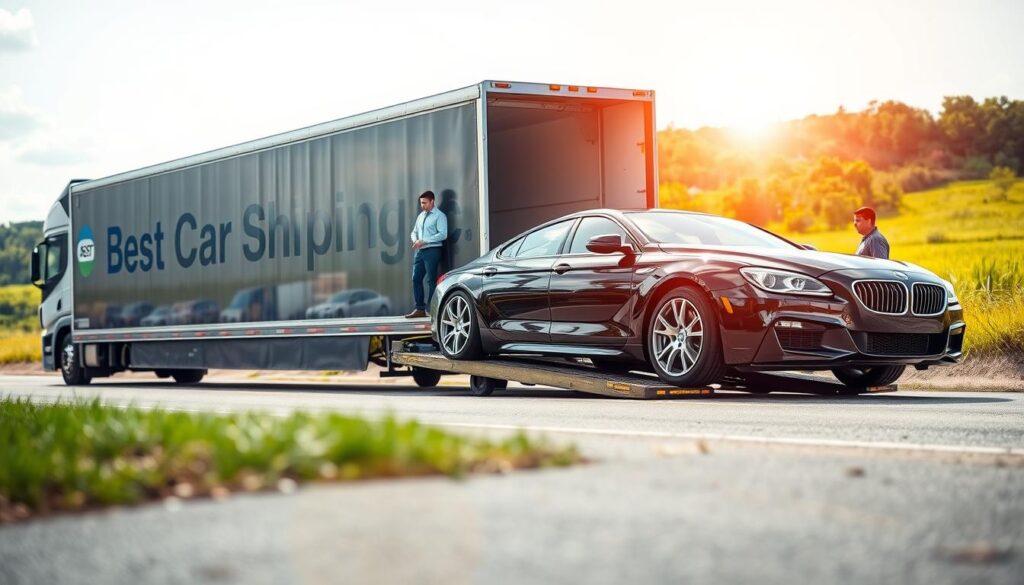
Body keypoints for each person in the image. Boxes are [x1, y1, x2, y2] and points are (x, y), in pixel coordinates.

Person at [405, 190, 448, 318]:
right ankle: (420, 309)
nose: (422, 205)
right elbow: (414, 232)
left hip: (432, 251)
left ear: (432, 201)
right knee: (416, 278)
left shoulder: (440, 216)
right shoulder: (421, 216)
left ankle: (432, 309)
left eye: (424, 203)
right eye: (421, 203)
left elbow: (443, 234)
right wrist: (416, 241)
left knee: (431, 280)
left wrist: (424, 241)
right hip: (420, 251)